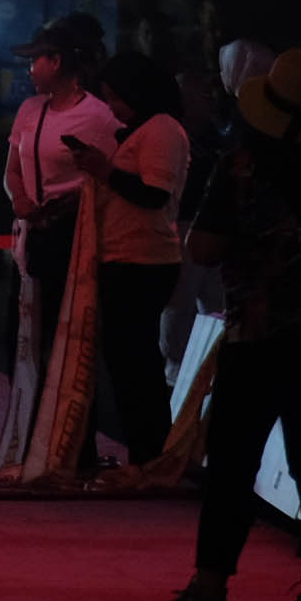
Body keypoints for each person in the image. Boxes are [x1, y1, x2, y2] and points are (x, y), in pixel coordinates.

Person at [146, 46, 301, 601]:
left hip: (255, 337)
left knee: (231, 465)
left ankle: (210, 588)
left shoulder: (241, 169)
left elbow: (202, 248)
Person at [2, 13, 123, 366]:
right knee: (20, 335)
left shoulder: (98, 117)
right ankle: (26, 400)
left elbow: (114, 176)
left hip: (70, 238)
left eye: (35, 61)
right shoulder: (29, 110)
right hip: (30, 237)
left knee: (63, 334)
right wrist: (19, 198)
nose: (29, 69)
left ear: (56, 62)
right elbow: (12, 169)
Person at [89, 52, 191, 466]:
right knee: (126, 359)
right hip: (125, 257)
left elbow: (154, 194)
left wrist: (105, 172)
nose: (111, 107)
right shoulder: (144, 129)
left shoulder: (161, 130)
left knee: (137, 362)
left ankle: (150, 452)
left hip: (143, 261)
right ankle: (144, 451)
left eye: (115, 97)